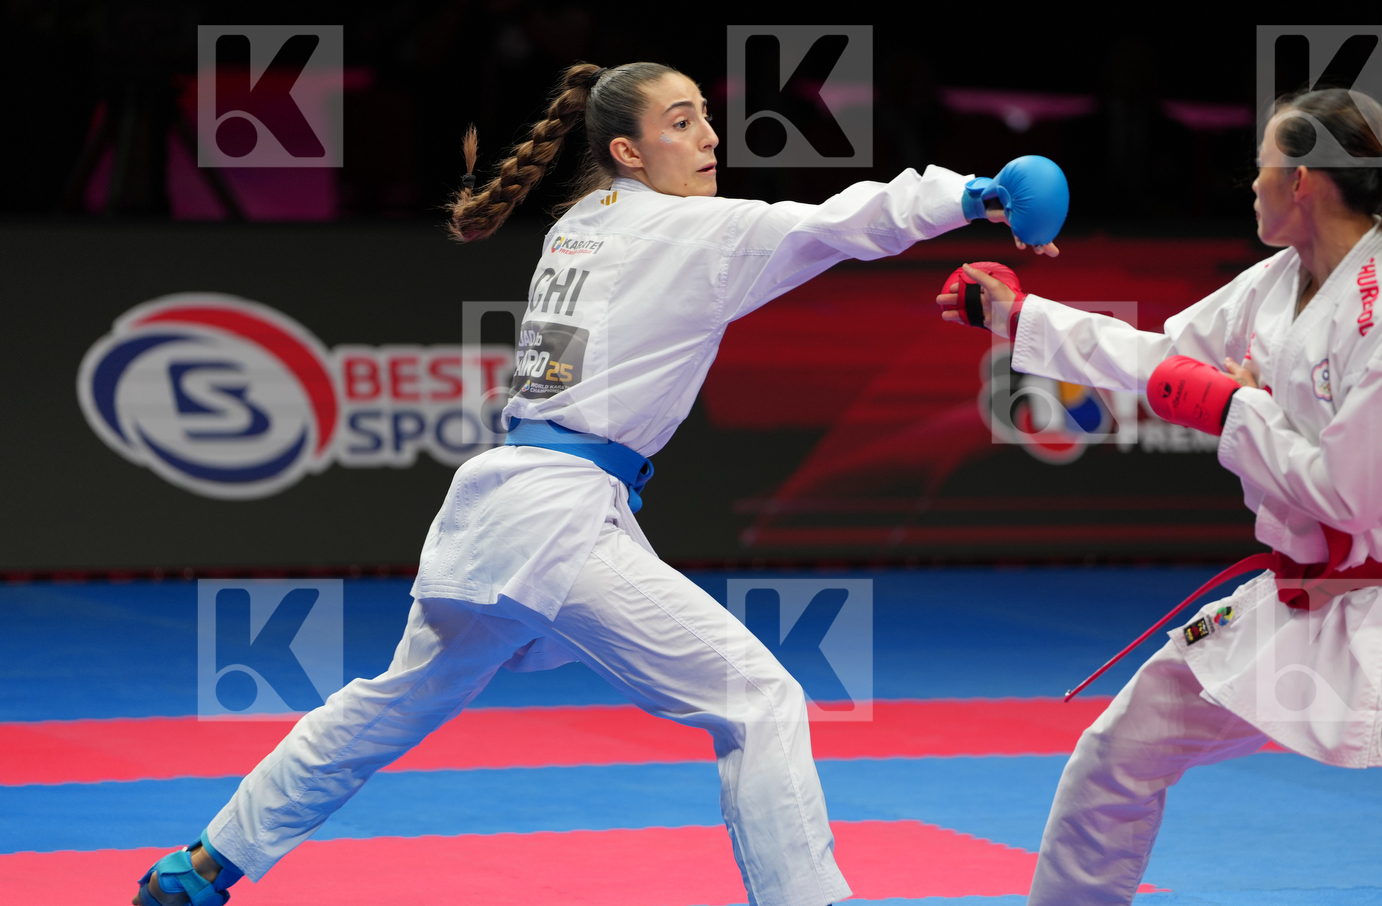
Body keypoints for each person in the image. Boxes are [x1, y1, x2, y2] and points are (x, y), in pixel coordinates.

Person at [132, 60, 1066, 906]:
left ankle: (203, 866)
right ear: (627, 148)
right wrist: (977, 195)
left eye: (708, 119)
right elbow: (841, 222)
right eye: (682, 121)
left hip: (501, 504)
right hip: (555, 518)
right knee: (758, 700)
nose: (707, 138)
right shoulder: (694, 230)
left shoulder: (584, 221)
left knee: (391, 702)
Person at [939, 89, 1382, 906]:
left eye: (1262, 165)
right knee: (1114, 758)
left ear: (1305, 182)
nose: (1250, 183)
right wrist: (1021, 318)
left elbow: (1344, 497)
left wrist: (1236, 407)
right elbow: (1164, 356)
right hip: (1293, 607)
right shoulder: (1280, 282)